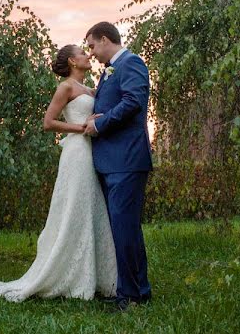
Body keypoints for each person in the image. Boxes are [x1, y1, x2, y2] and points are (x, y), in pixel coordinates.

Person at [0, 44, 117, 302]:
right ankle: (68, 275)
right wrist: (81, 126)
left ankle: (96, 275)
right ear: (73, 61)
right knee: (74, 207)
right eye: (83, 53)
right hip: (76, 152)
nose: (88, 55)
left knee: (90, 207)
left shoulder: (88, 87)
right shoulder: (66, 87)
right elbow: (48, 122)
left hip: (91, 151)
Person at [84, 21, 153, 312]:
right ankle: (137, 291)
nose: (91, 53)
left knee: (125, 229)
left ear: (104, 39)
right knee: (124, 229)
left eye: (91, 46)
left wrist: (100, 122)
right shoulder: (111, 69)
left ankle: (131, 296)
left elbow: (134, 102)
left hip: (126, 160)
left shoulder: (131, 62)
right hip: (114, 161)